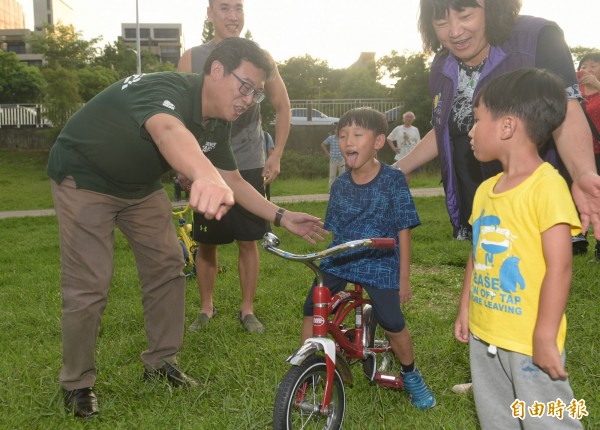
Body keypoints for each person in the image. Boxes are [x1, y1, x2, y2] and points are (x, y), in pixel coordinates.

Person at [47, 37, 325, 419]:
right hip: (84, 175)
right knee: (90, 283)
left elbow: (237, 182)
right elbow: (167, 132)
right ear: (215, 70)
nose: (249, 98)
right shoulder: (166, 89)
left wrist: (282, 215)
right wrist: (204, 175)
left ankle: (161, 362)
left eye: (257, 93)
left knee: (166, 266)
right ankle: (77, 383)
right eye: (245, 86)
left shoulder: (217, 124)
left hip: (139, 187)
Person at [396, 0, 600, 249]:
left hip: (534, 200)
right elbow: (445, 128)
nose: (454, 31)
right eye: (441, 22)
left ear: (493, 9)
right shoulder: (441, 65)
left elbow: (566, 109)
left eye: (465, 15)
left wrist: (583, 174)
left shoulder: (538, 39)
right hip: (481, 201)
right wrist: (398, 168)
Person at [455, 68, 584, 429]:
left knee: (548, 419)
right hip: (486, 333)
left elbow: (560, 267)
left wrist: (544, 334)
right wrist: (466, 306)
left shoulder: (547, 187)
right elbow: (477, 254)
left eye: (477, 119)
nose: (471, 130)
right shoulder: (486, 190)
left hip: (529, 340)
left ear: (507, 127)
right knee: (496, 417)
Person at [301, 107, 436, 410]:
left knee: (391, 320)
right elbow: (334, 230)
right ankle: (308, 366)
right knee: (312, 305)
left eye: (357, 134)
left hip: (380, 258)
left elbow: (403, 230)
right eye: (343, 135)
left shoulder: (392, 180)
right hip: (343, 257)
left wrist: (403, 278)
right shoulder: (339, 185)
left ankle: (411, 374)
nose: (348, 140)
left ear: (377, 142)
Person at [177, 0, 291, 334]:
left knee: (248, 240)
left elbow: (283, 106)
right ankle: (206, 308)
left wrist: (277, 153)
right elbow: (178, 116)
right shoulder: (193, 58)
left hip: (250, 163)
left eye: (238, 8)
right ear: (210, 13)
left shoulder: (260, 60)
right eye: (224, 8)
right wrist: (184, 165)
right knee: (206, 241)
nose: (233, 15)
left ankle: (247, 310)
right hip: (208, 165)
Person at [577, 52, 600, 259]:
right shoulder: (576, 90)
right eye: (586, 65)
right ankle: (578, 239)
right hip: (582, 153)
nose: (588, 69)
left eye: (594, 65)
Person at [386, 111, 420, 181]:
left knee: (408, 174)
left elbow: (418, 143)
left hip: (411, 156)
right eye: (407, 117)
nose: (409, 119)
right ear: (403, 118)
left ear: (413, 119)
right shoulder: (398, 128)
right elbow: (389, 138)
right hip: (400, 156)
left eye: (411, 117)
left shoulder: (415, 129)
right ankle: (398, 188)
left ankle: (405, 189)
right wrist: (394, 148)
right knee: (398, 173)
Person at [320, 123, 345, 189]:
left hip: (341, 158)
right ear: (334, 130)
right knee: (332, 175)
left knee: (342, 175)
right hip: (333, 159)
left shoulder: (343, 138)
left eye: (339, 130)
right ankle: (331, 190)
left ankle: (341, 189)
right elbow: (323, 144)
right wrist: (327, 154)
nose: (337, 131)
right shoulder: (331, 138)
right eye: (336, 129)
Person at [263, 129, 275, 200]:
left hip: (263, 173)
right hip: (244, 171)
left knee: (264, 196)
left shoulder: (266, 136)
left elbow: (271, 156)